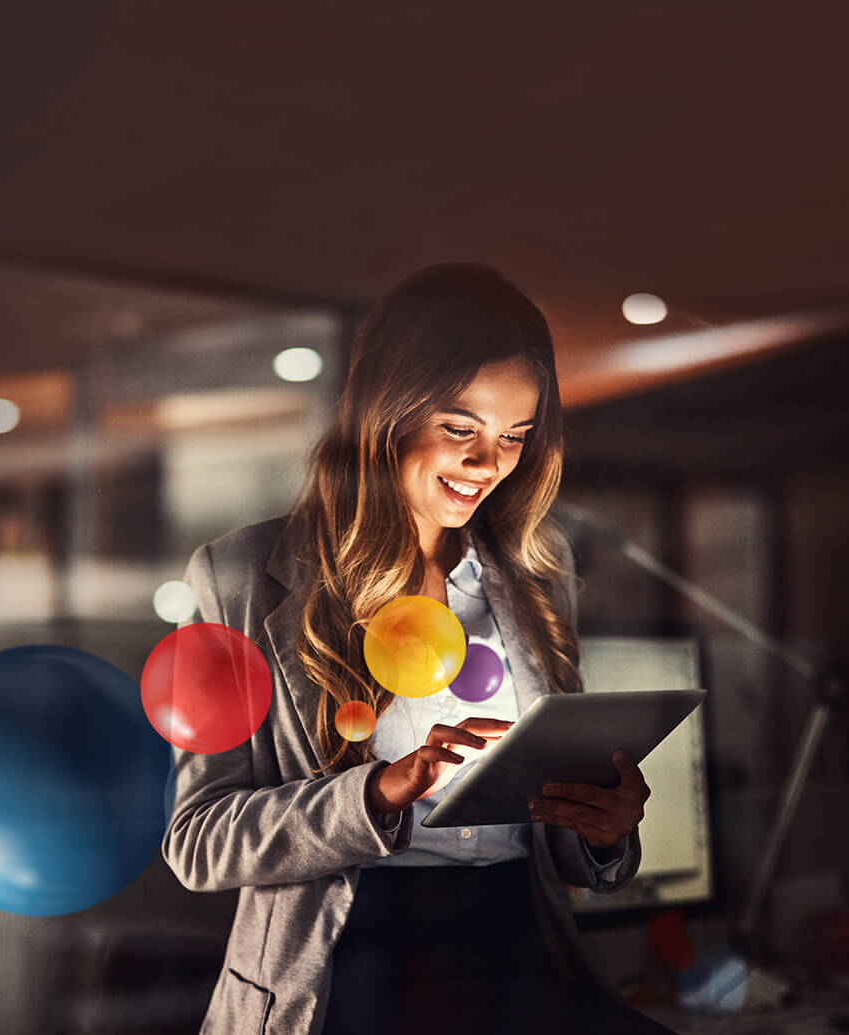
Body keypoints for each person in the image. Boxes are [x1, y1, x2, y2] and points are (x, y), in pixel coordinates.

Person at [162, 264, 672, 1034]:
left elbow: (555, 854)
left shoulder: (539, 572)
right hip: (350, 973)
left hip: (519, 960)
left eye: (514, 438)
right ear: (386, 411)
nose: (487, 464)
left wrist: (602, 832)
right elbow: (198, 841)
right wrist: (373, 794)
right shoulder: (241, 578)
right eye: (461, 428)